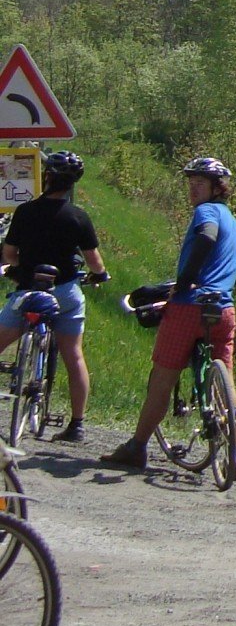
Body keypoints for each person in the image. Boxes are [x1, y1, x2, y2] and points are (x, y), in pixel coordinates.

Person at [101, 157, 236, 473]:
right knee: (226, 382)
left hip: (189, 305)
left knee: (162, 378)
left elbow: (206, 237)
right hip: (223, 309)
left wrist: (182, 283)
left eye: (200, 183)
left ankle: (136, 447)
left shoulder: (206, 212)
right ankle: (235, 457)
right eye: (190, 183)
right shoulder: (233, 221)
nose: (193, 188)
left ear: (218, 188)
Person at [0, 150, 109, 442]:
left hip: (29, 290)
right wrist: (98, 276)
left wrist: (19, 268)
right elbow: (95, 263)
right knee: (74, 355)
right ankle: (76, 425)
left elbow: (9, 254)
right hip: (65, 292)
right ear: (73, 184)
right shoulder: (79, 217)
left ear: (47, 177)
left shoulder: (25, 212)